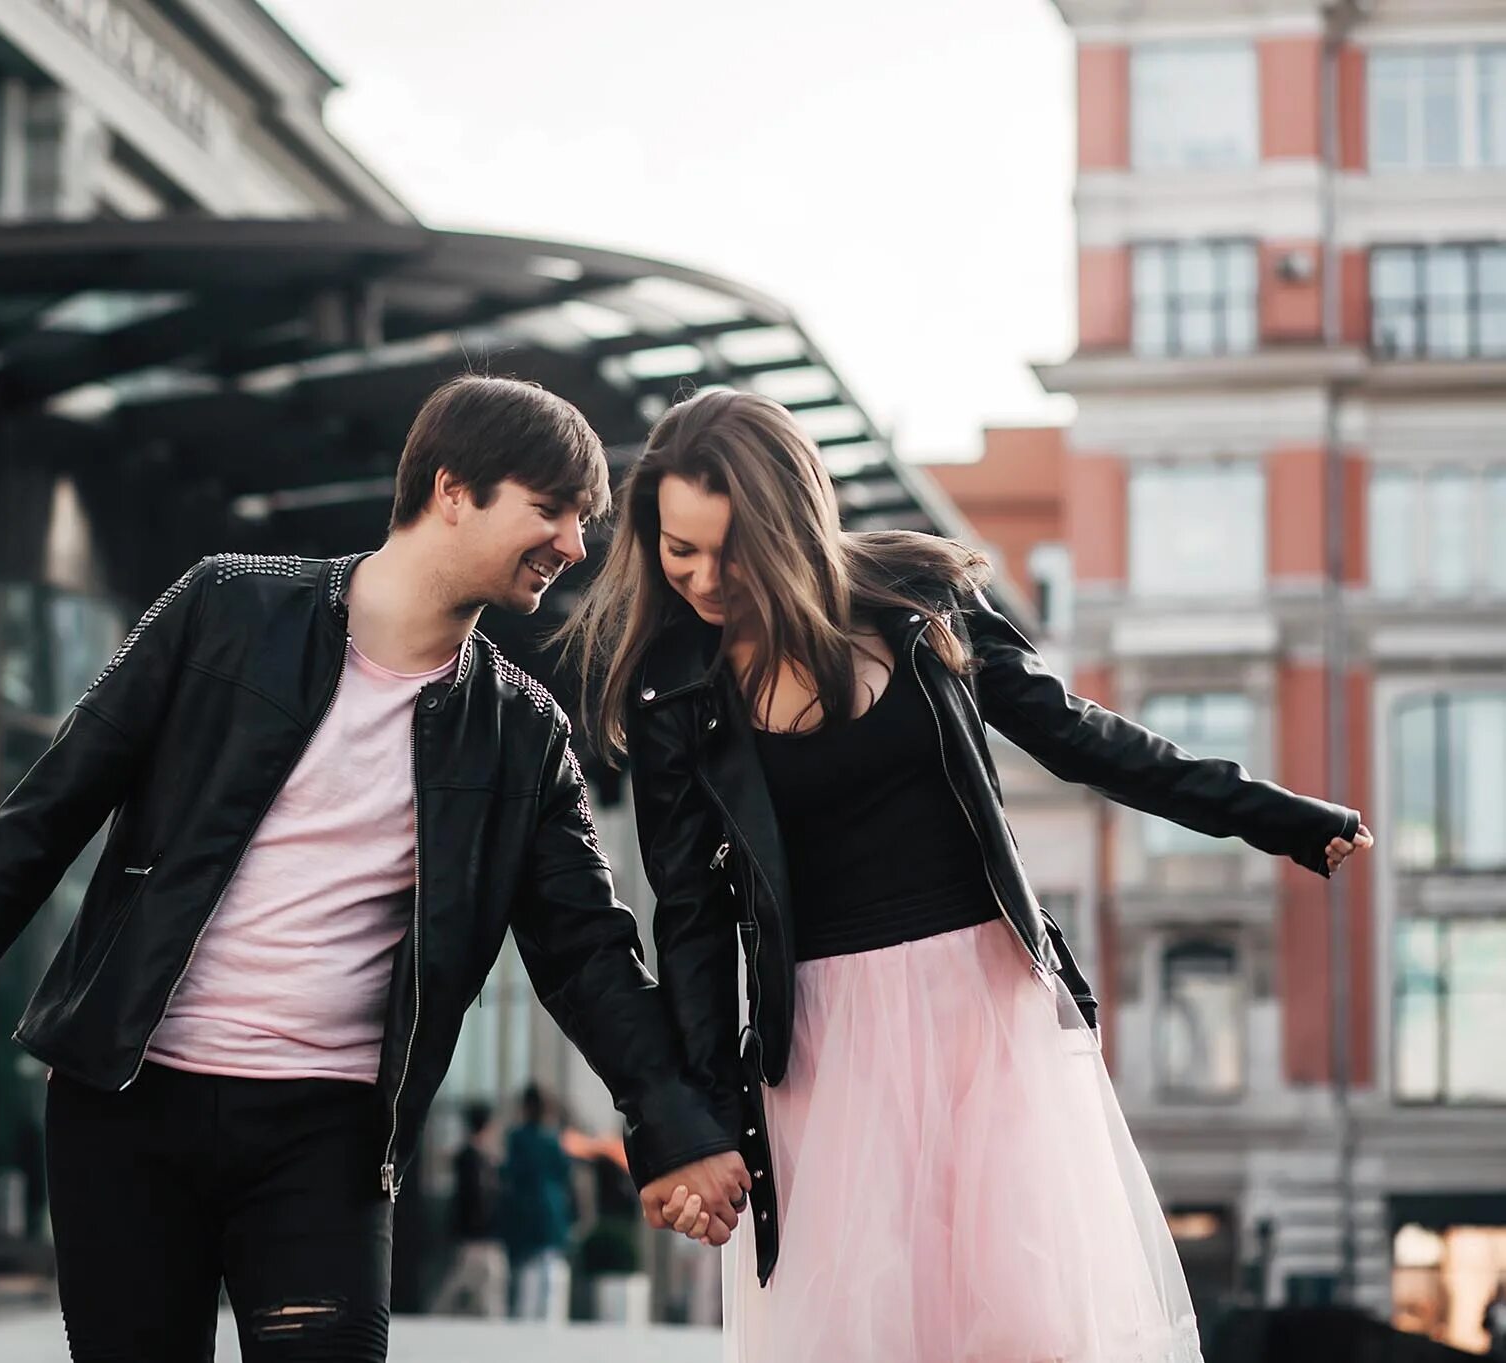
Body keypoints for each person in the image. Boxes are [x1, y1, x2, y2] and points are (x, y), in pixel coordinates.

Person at [0, 374, 747, 1362]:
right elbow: (52, 803)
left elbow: (584, 951)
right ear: (452, 491)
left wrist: (674, 1122)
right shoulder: (225, 607)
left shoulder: (518, 733)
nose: (574, 545)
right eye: (550, 511)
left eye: (583, 521)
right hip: (126, 1107)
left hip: (326, 1135)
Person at [558, 390, 1373, 1363]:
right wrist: (700, 1118)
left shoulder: (919, 598)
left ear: (786, 525)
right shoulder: (670, 688)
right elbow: (690, 917)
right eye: (674, 548)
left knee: (1024, 1326)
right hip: (822, 1039)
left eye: (723, 549)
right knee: (865, 1332)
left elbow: (1076, 738)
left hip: (984, 1012)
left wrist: (1271, 815)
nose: (696, 577)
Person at [500, 1083, 574, 1321]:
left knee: (527, 1281)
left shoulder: (518, 1138)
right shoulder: (553, 1141)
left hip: (526, 1211)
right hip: (552, 1211)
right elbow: (566, 1175)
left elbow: (510, 1173)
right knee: (550, 1277)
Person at [430, 1101, 507, 1318]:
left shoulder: (480, 1158)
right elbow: (476, 1200)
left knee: (479, 1286)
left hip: (478, 1236)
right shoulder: (472, 1159)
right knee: (466, 1283)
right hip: (475, 1237)